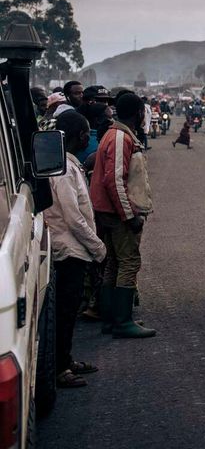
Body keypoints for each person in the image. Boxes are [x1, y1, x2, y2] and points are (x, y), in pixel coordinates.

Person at [45, 110, 106, 387]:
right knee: (64, 313)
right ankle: (59, 369)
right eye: (86, 134)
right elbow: (74, 218)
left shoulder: (68, 165)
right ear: (81, 136)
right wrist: (98, 248)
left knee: (67, 312)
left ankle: (65, 360)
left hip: (72, 248)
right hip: (68, 250)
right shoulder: (65, 169)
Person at [90, 91, 156, 339]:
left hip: (108, 211)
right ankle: (122, 321)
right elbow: (114, 181)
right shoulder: (119, 138)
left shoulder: (116, 134)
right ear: (139, 113)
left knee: (114, 264)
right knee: (129, 262)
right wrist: (130, 216)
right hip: (117, 213)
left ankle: (112, 317)